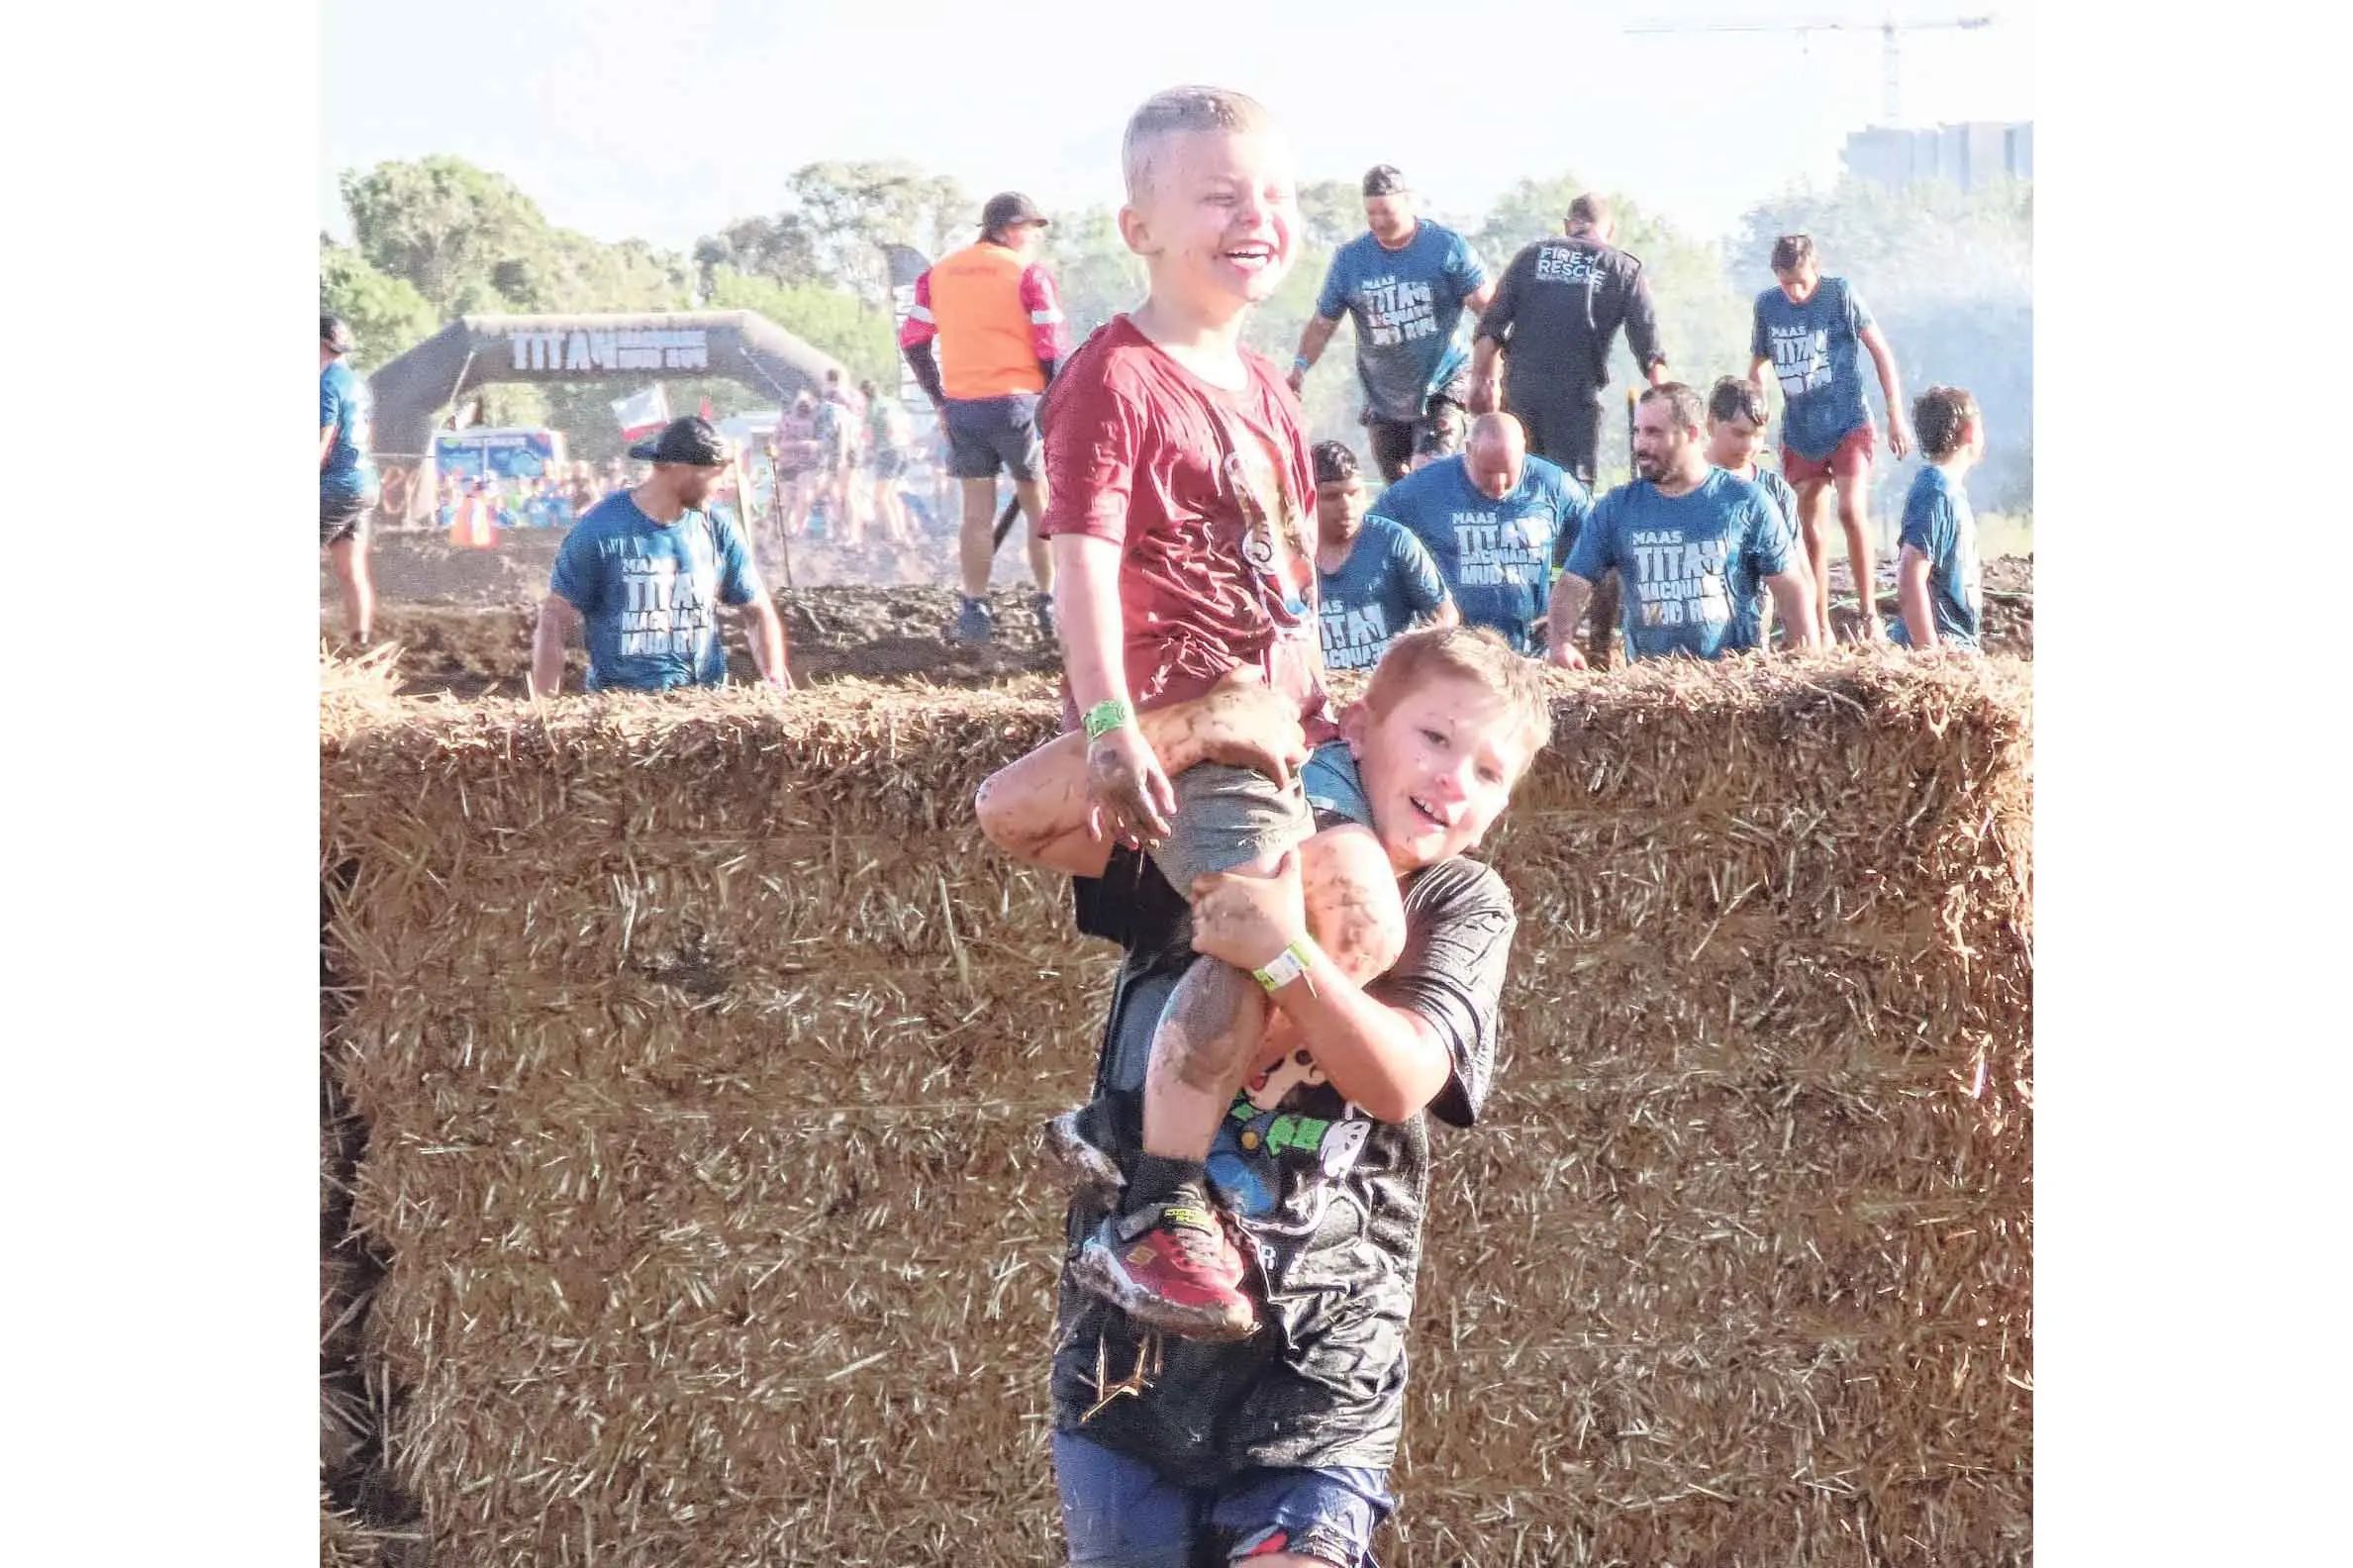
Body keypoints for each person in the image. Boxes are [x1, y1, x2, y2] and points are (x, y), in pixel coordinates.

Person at [979, 627, 1553, 1568]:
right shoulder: (1224, 831)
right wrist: (1195, 724)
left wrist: (1279, 957)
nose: (1455, 781)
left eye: (1490, 773)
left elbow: (1402, 1077)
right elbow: (1019, 813)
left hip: (1321, 1362)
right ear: (1357, 729)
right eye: (1436, 739)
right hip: (1130, 1362)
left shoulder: (1459, 901)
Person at [1024, 84, 1411, 1348]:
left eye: (1277, 198)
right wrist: (1109, 727)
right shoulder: (1111, 379)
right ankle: (1155, 1205)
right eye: (1219, 198)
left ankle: (1124, 1119)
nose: (1258, 220)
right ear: (1137, 224)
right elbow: (1078, 559)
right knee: (1258, 928)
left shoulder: (1262, 387)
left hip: (1279, 721)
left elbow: (1288, 577)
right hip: (1192, 717)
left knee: (1359, 921)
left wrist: (1324, 715)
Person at [1468, 192, 1668, 672]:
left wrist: (1481, 386)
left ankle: (1524, 622)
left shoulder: (1533, 256)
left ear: (1569, 224)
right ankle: (1592, 643)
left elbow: (1490, 329)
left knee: (1515, 504)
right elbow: (1652, 355)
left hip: (1521, 402)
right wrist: (1669, 420)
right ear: (1608, 230)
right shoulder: (1623, 268)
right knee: (1577, 516)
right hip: (1575, 405)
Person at [899, 190, 1069, 641]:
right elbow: (1051, 345)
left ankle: (975, 609)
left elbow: (913, 341)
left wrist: (940, 400)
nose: (1034, 239)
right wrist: (1056, 402)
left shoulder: (939, 275)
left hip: (964, 408)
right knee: (1040, 507)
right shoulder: (1028, 273)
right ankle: (1048, 602)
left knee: (975, 515)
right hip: (1020, 405)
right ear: (1012, 230)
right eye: (1031, 230)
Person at [1548, 383, 1818, 667]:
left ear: (1691, 434)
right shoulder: (1617, 508)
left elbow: (1790, 587)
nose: (1640, 445)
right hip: (1650, 682)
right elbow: (1573, 582)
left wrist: (1808, 660)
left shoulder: (1746, 501)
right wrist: (1560, 643)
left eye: (1654, 432)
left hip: (1732, 677)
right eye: (1637, 432)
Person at [529, 417, 793, 695]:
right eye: (716, 474)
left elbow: (759, 611)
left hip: (706, 705)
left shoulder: (719, 527)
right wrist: (546, 707)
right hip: (620, 708)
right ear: (679, 470)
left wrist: (775, 683)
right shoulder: (600, 530)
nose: (724, 484)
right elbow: (554, 617)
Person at [1747, 234, 1911, 646]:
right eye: (1787, 283)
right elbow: (1758, 367)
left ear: (1815, 269)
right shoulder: (1768, 306)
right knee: (1809, 526)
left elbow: (1880, 352)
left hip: (1848, 420)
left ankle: (1868, 613)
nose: (1795, 291)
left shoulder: (1840, 295)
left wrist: (1895, 415)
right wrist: (1756, 419)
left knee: (1852, 510)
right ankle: (1817, 627)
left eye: (1801, 281)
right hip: (1801, 429)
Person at [1289, 165, 1493, 483]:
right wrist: (1300, 368)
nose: (1379, 221)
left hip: (1443, 383)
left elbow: (1490, 312)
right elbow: (1322, 323)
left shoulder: (1446, 248)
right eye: (1371, 213)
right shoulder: (1351, 260)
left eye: (1387, 211)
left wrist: (1492, 371)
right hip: (1385, 395)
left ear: (1408, 202)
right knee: (1398, 489)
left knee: (1427, 475)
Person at [1363, 412, 1590, 657]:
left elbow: (1601, 537)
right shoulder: (1423, 489)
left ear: (1524, 452)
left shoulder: (1552, 484)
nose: (1499, 483)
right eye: (1488, 471)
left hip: (1530, 651)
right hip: (1455, 653)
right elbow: (1368, 537)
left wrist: (1567, 614)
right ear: (1469, 450)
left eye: (1509, 471)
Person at [1309, 441, 1455, 672]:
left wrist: (1417, 645)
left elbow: (1446, 615)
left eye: (1354, 493)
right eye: (1332, 496)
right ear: (1307, 497)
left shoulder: (1395, 541)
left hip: (1386, 686)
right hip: (1319, 690)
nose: (1347, 507)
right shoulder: (1288, 552)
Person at [1702, 376, 1802, 645]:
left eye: (1757, 435)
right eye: (1739, 433)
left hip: (1753, 641)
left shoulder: (1775, 491)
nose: (1749, 446)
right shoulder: (1684, 485)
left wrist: (1805, 645)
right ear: (1711, 424)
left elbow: (1798, 573)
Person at [1889, 385, 1986, 652]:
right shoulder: (1936, 491)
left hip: (1959, 647)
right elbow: (1911, 575)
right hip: (1943, 644)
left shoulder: (1951, 491)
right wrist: (1929, 653)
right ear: (1969, 431)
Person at [319, 314, 378, 648]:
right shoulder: (357, 383)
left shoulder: (325, 383)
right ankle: (361, 644)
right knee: (350, 568)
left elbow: (323, 441)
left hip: (338, 485)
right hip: (364, 484)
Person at [861, 378, 916, 546]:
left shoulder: (872, 407)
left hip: (887, 450)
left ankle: (895, 534)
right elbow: (907, 424)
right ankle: (901, 532)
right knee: (892, 494)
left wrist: (867, 449)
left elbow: (868, 435)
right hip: (903, 449)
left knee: (881, 496)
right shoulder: (893, 403)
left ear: (864, 394)